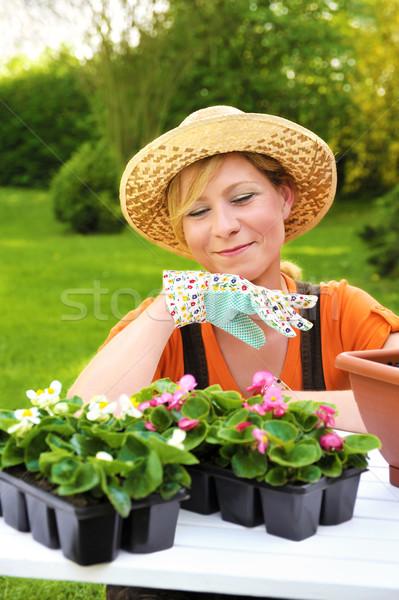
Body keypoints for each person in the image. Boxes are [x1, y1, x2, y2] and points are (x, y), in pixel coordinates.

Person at [68, 105, 399, 600]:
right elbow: (80, 416)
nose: (224, 226)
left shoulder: (340, 310)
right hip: (185, 564)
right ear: (184, 234)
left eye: (242, 198)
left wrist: (276, 407)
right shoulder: (162, 327)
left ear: (284, 198)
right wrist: (169, 306)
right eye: (198, 212)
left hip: (324, 556)